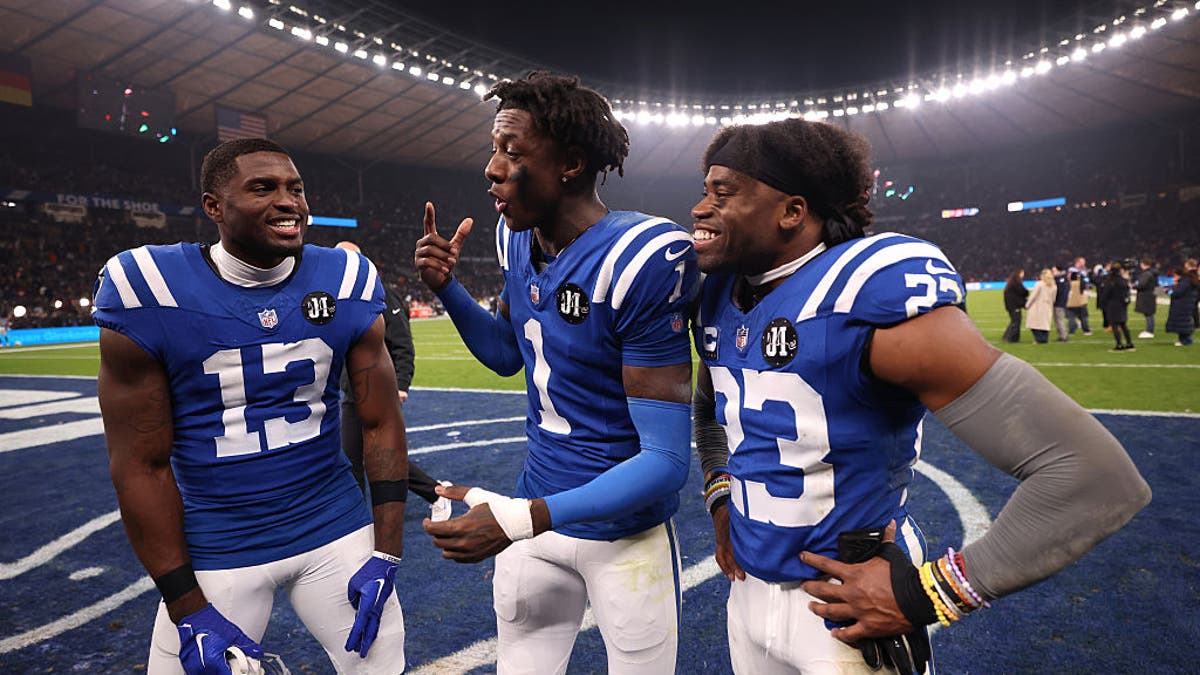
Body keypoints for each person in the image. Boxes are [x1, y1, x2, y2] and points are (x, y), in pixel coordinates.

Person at [688, 119, 1151, 675]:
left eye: (723, 193)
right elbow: (712, 406)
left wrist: (928, 595)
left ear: (792, 211)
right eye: (704, 190)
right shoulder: (717, 291)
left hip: (849, 608)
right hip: (747, 596)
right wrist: (721, 498)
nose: (699, 208)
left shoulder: (864, 291)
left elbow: (1095, 475)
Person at [415, 72, 698, 674]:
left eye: (512, 152)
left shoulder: (643, 257)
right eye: (494, 149)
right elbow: (506, 355)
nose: (492, 168)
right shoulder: (514, 237)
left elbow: (667, 461)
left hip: (621, 535)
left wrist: (521, 517)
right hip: (534, 519)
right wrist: (449, 291)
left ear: (570, 163)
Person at [95, 139, 409, 675]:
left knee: (383, 666)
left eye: (296, 188)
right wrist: (185, 604)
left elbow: (380, 422)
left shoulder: (347, 279)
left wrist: (387, 553)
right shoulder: (148, 288)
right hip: (220, 542)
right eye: (263, 188)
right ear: (214, 207)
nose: (289, 202)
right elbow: (139, 465)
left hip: (335, 527)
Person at [335, 240, 451, 522]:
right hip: (352, 394)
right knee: (354, 459)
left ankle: (436, 493)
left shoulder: (383, 294)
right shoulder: (336, 299)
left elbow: (402, 345)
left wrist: (401, 384)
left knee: (384, 458)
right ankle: (357, 522)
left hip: (381, 392)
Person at [1099, 262, 1133, 351]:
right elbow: (1127, 293)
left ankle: (1119, 344)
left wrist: (1103, 301)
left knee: (1114, 325)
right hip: (1122, 305)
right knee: (1123, 325)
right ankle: (1129, 343)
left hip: (1113, 305)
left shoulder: (1111, 281)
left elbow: (1106, 294)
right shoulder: (1124, 281)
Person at [1165, 257, 1199, 346]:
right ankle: (1184, 339)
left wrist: (1170, 291)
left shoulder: (1187, 279)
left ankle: (1186, 340)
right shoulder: (1194, 278)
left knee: (1183, 322)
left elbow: (1179, 291)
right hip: (1188, 303)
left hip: (1182, 303)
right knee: (1185, 321)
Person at [1024, 268, 1055, 344]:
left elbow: (1033, 296)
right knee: (1045, 325)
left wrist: (1027, 305)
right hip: (1047, 306)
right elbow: (1053, 299)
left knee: (1035, 325)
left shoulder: (1039, 284)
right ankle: (1044, 339)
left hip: (1037, 306)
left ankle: (1039, 339)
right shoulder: (1054, 286)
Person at [1066, 257, 1092, 335]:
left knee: (1073, 315)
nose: (1083, 263)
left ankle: (1073, 329)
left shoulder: (1084, 270)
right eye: (1082, 262)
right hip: (1079, 298)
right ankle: (1085, 329)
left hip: (1073, 298)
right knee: (1082, 315)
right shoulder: (1072, 270)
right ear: (1077, 262)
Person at [1134, 257, 1158, 339]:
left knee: (1148, 314)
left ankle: (1149, 331)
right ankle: (1149, 330)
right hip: (1150, 295)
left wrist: (1134, 286)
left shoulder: (1147, 274)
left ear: (1143, 264)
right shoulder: (1152, 273)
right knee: (1149, 314)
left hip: (1146, 296)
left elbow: (1142, 285)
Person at [1000, 269, 1027, 343]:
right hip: (1015, 306)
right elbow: (1023, 292)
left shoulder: (1010, 284)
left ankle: (1009, 337)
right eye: (1022, 273)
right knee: (1016, 322)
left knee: (1014, 321)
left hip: (1011, 306)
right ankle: (1010, 338)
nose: (1023, 275)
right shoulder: (1016, 284)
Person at [1051, 264, 1070, 341]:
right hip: (1061, 302)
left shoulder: (1059, 280)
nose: (1053, 272)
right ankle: (1062, 335)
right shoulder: (1063, 279)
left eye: (1054, 271)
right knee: (1058, 319)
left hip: (1059, 302)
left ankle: (1063, 336)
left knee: (1059, 319)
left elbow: (1058, 292)